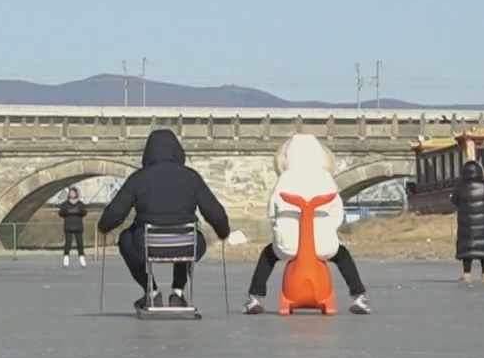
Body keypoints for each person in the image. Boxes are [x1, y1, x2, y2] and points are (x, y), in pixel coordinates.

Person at [96, 129, 230, 311]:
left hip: (147, 245)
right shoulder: (191, 177)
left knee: (126, 239)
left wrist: (104, 227)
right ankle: (178, 292)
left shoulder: (138, 179)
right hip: (187, 245)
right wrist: (223, 231)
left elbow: (116, 213)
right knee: (189, 236)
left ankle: (151, 291)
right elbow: (215, 212)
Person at [241, 135, 372, 314]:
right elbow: (337, 213)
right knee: (342, 255)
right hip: (323, 243)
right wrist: (328, 229)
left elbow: (272, 212)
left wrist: (279, 230)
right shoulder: (326, 178)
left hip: (289, 244)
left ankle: (255, 298)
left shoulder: (285, 178)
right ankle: (359, 296)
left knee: (268, 255)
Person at [451, 159, 484, 284]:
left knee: (467, 247)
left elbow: (454, 201)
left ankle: (467, 274)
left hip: (466, 222)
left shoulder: (460, 187)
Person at [57, 187, 88, 267]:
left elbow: (84, 212)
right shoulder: (65, 204)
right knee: (68, 243)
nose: (72, 194)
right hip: (68, 226)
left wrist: (78, 211)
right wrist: (68, 211)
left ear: (76, 194)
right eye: (71, 193)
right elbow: (61, 213)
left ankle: (82, 258)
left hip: (78, 226)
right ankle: (66, 257)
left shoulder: (80, 204)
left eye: (73, 193)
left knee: (80, 243)